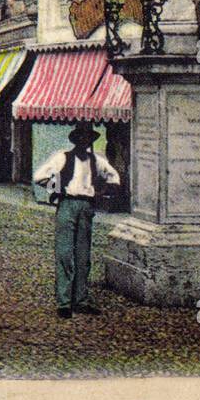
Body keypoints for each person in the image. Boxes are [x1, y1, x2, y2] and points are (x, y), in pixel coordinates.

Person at [34, 123, 120, 319]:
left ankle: (80, 300)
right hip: (67, 204)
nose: (84, 142)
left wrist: (102, 191)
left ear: (90, 141)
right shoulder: (62, 157)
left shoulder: (96, 161)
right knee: (65, 254)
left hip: (86, 207)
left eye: (88, 139)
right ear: (75, 140)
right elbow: (40, 176)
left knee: (83, 256)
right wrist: (57, 189)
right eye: (81, 138)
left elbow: (114, 177)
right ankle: (64, 302)